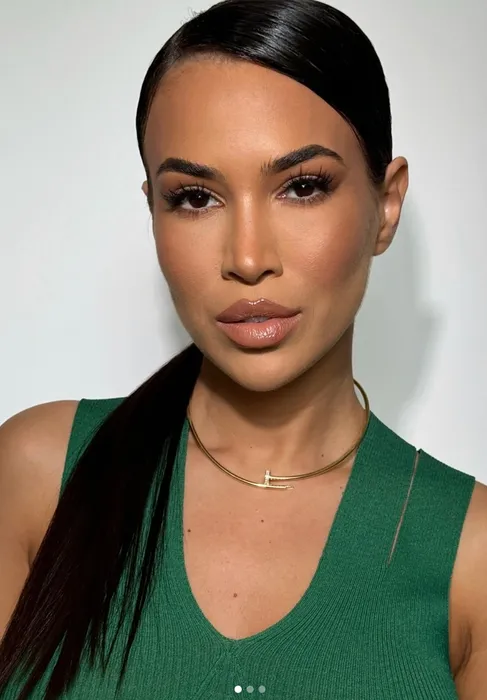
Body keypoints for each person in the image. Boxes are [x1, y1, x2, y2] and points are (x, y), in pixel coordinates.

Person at [1, 0, 486, 697]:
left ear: (386, 205)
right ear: (152, 209)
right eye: (195, 198)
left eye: (302, 187)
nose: (248, 259)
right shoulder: (37, 479)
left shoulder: (469, 553)